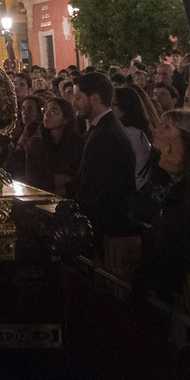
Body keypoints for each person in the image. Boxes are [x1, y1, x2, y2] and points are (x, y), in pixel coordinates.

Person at [134, 126, 190, 300]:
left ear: (188, 163)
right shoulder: (177, 195)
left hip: (180, 298)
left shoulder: (188, 206)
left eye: (171, 149)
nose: (165, 151)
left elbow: (172, 254)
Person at [73, 71, 139, 275]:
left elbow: (99, 188)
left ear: (94, 98)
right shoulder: (101, 129)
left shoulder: (107, 134)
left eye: (78, 97)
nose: (74, 103)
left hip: (109, 232)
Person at [22, 96, 84, 196]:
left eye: (53, 112)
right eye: (46, 110)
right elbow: (34, 178)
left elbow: (79, 175)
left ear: (66, 119)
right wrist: (61, 179)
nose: (47, 115)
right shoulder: (37, 142)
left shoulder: (76, 142)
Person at [112, 85, 154, 186]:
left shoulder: (129, 134)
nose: (109, 108)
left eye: (113, 104)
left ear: (125, 108)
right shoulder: (137, 133)